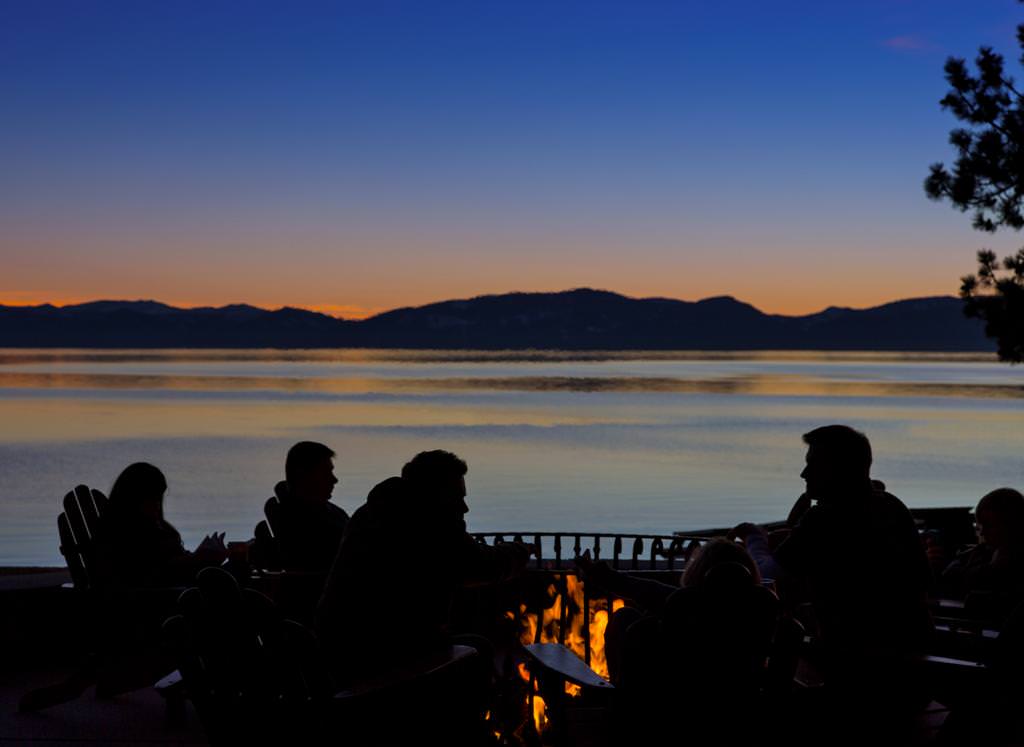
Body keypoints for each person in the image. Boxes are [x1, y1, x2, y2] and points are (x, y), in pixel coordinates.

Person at [731, 425, 933, 740]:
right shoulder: (892, 506)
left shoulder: (826, 517)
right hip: (912, 670)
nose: (803, 473)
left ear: (837, 469)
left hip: (859, 675)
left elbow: (767, 575)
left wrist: (755, 539)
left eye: (813, 463)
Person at [315, 450, 532, 680]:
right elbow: (480, 565)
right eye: (458, 497)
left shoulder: (373, 512)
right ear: (438, 493)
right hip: (385, 653)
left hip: (338, 646)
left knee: (473, 643)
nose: (464, 508)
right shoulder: (429, 521)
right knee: (479, 652)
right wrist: (520, 551)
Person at [92, 462, 227, 589]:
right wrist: (195, 560)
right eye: (152, 498)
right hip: (161, 601)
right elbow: (152, 573)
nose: (157, 504)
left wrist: (197, 558)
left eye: (159, 498)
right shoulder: (125, 534)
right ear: (134, 498)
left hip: (176, 588)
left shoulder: (153, 528)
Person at [252, 441, 348, 573]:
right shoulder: (308, 525)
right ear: (303, 474)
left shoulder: (331, 514)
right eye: (326, 472)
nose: (334, 480)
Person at [941, 487, 1024, 603]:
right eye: (980, 526)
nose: (983, 532)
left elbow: (958, 579)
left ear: (1012, 525)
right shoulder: (985, 552)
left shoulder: (1008, 558)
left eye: (990, 525)